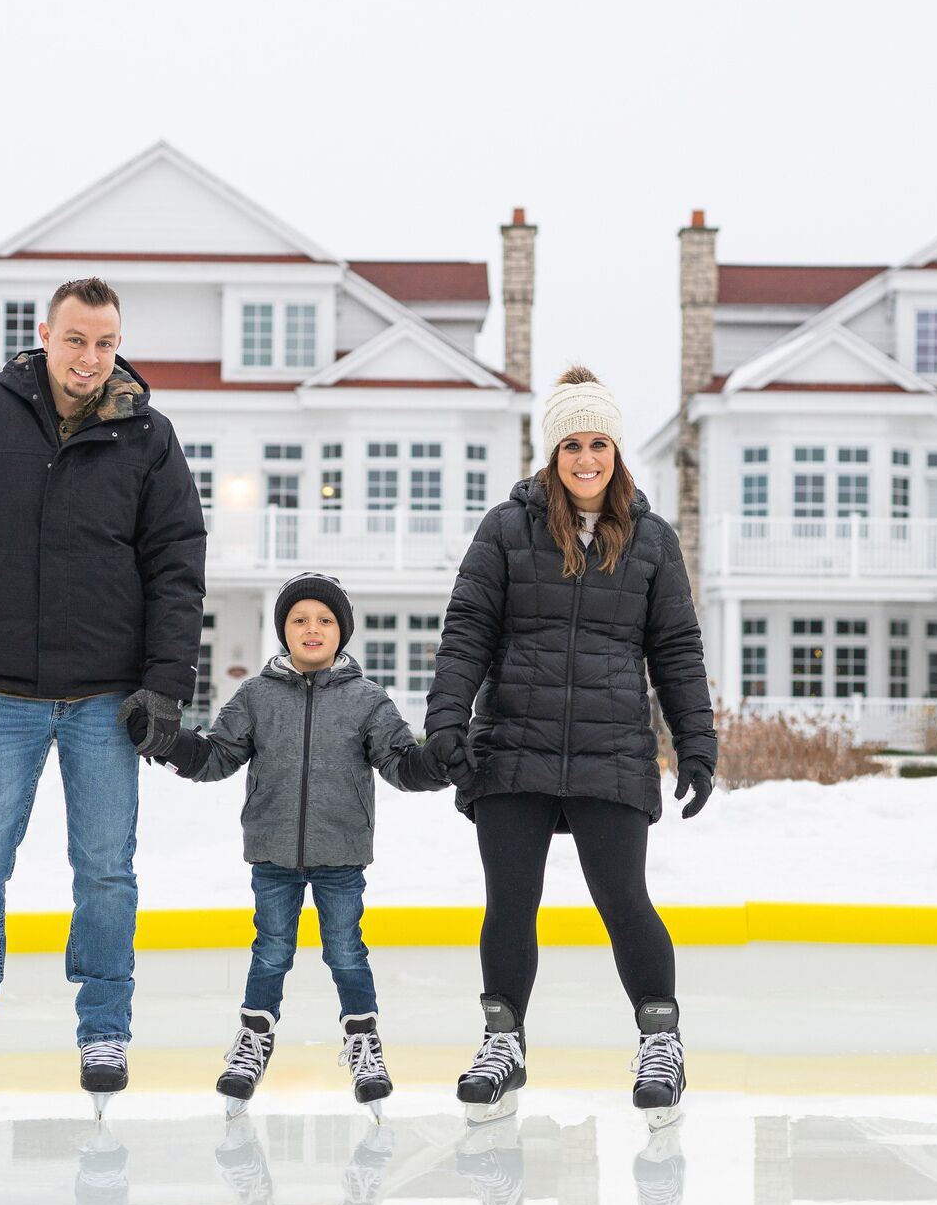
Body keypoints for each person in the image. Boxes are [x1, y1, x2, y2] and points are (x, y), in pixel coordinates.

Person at [0, 277, 207, 1119]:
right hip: (1, 694)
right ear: (43, 335)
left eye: (106, 343)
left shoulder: (148, 436)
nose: (90, 359)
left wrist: (166, 682)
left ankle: (103, 1027)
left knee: (106, 875)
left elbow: (177, 567)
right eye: (76, 340)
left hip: (106, 700)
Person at [422, 365, 716, 1126]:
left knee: (623, 900)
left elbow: (676, 649)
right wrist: (447, 720)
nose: (586, 459)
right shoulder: (505, 529)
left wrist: (696, 741)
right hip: (513, 742)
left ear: (615, 451)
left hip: (611, 746)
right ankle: (503, 1042)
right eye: (571, 446)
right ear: (550, 456)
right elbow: (466, 634)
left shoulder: (651, 541)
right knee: (510, 903)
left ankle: (661, 1043)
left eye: (599, 444)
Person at [140, 572, 449, 1118]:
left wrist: (436, 764)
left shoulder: (367, 700)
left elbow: (400, 764)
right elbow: (218, 757)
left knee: (345, 949)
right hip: (273, 851)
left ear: (342, 632)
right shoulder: (256, 697)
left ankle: (363, 1042)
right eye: (300, 620)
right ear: (284, 630)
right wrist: (172, 745)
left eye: (325, 620)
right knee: (272, 950)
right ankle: (254, 1040)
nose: (312, 629)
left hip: (341, 852)